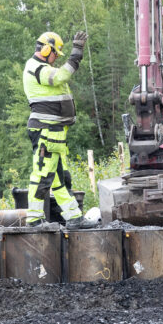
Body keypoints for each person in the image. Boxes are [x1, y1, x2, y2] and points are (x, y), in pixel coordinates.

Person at [23, 30, 95, 228]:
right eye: (54, 53)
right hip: (46, 131)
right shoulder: (37, 68)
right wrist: (76, 53)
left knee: (60, 178)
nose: (55, 58)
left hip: (54, 133)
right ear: (46, 49)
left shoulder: (41, 67)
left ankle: (74, 217)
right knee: (42, 175)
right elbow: (62, 76)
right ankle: (34, 220)